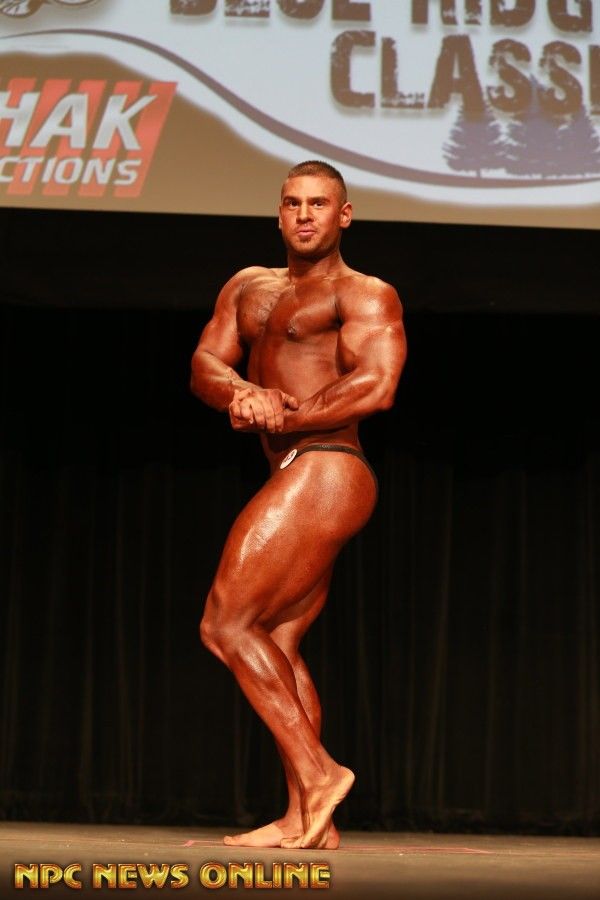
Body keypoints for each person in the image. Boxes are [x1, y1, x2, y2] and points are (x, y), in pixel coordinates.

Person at [190, 160, 407, 850]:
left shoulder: (364, 294)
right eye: (292, 203)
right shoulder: (247, 287)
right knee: (276, 641)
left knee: (225, 624)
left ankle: (320, 776)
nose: (304, 215)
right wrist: (241, 394)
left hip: (329, 466)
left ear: (344, 215)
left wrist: (286, 416)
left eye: (318, 203)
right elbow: (205, 365)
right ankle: (308, 821)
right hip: (294, 468)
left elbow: (376, 386)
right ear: (278, 213)